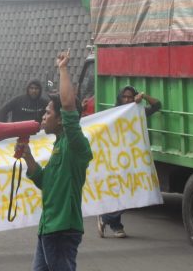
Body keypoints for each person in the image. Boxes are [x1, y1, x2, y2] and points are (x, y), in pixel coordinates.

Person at [17, 51, 93, 271]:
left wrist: (62, 68)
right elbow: (45, 182)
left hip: (62, 230)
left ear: (61, 120)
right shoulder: (59, 145)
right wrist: (28, 156)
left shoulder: (75, 143)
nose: (43, 116)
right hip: (48, 227)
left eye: (48, 112)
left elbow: (69, 106)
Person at [97, 85, 161, 239]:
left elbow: (157, 105)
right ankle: (115, 225)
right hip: (118, 159)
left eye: (130, 97)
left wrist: (143, 97)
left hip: (134, 159)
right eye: (124, 97)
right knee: (120, 191)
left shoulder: (138, 112)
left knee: (132, 191)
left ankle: (106, 218)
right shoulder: (114, 114)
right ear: (120, 99)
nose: (127, 100)